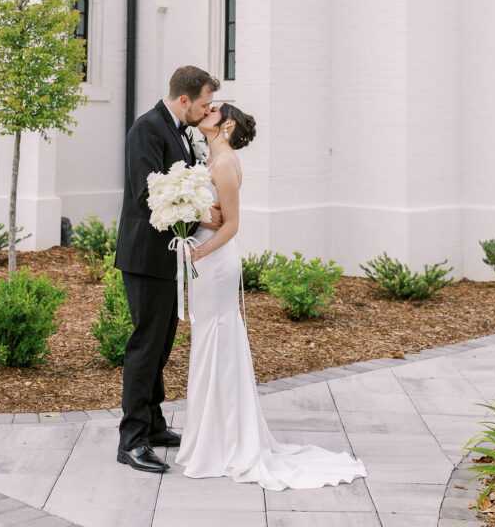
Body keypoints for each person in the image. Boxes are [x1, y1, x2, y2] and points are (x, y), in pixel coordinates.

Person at [176, 102, 367, 490]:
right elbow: (208, 215)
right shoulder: (210, 158)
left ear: (226, 125)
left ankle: (225, 443)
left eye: (213, 111)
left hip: (215, 262)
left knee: (218, 341)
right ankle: (208, 437)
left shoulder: (225, 163)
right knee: (207, 341)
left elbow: (231, 226)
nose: (206, 111)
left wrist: (197, 252)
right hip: (203, 261)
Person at [114, 65, 222, 473]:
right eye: (204, 104)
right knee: (145, 347)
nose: (206, 110)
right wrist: (201, 216)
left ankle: (155, 424)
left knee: (160, 347)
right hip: (144, 258)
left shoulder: (178, 129)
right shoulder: (147, 129)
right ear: (183, 101)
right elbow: (147, 196)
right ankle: (132, 439)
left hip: (168, 256)